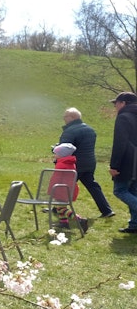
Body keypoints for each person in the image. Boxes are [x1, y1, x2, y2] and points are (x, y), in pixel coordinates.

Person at [59, 107, 114, 218]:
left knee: (63, 186)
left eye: (65, 116)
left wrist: (55, 150)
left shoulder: (69, 131)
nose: (63, 118)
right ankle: (107, 210)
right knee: (92, 186)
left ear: (73, 117)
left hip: (74, 164)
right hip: (89, 162)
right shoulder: (90, 129)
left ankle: (59, 208)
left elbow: (64, 149)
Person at [109, 92, 137, 234]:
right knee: (133, 191)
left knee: (120, 190)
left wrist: (114, 166)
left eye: (116, 103)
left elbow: (120, 143)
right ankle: (134, 225)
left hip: (128, 161)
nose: (115, 107)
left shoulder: (124, 117)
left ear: (124, 103)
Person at [49, 142, 87, 231]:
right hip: (68, 189)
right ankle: (64, 223)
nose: (55, 155)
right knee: (61, 207)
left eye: (56, 154)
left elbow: (56, 178)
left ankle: (80, 220)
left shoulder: (60, 165)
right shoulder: (70, 163)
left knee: (60, 208)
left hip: (60, 190)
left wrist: (51, 189)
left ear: (62, 155)